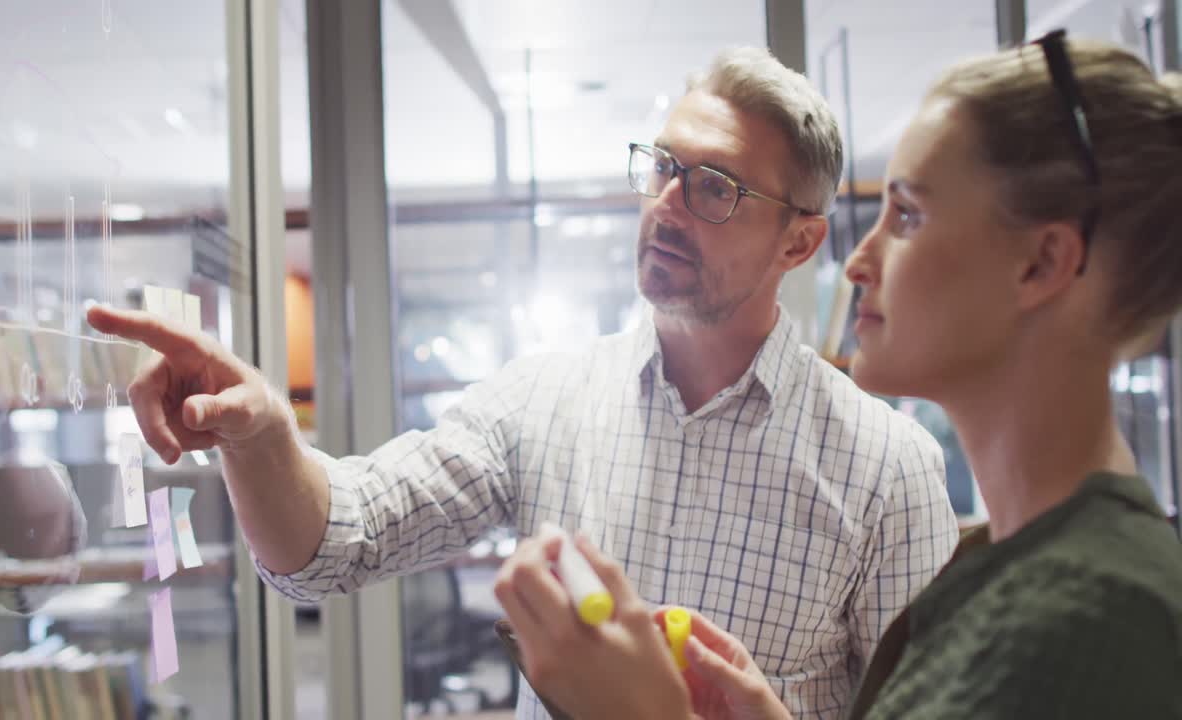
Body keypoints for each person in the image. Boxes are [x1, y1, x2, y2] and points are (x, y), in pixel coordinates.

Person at [87, 46, 959, 717]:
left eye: (715, 187)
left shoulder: (885, 469)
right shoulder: (546, 399)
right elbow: (334, 546)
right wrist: (264, 436)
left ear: (800, 243)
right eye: (661, 167)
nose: (666, 204)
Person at [493, 33, 1182, 719]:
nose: (856, 263)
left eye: (907, 215)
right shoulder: (1004, 572)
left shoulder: (1101, 616)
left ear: (1040, 264)